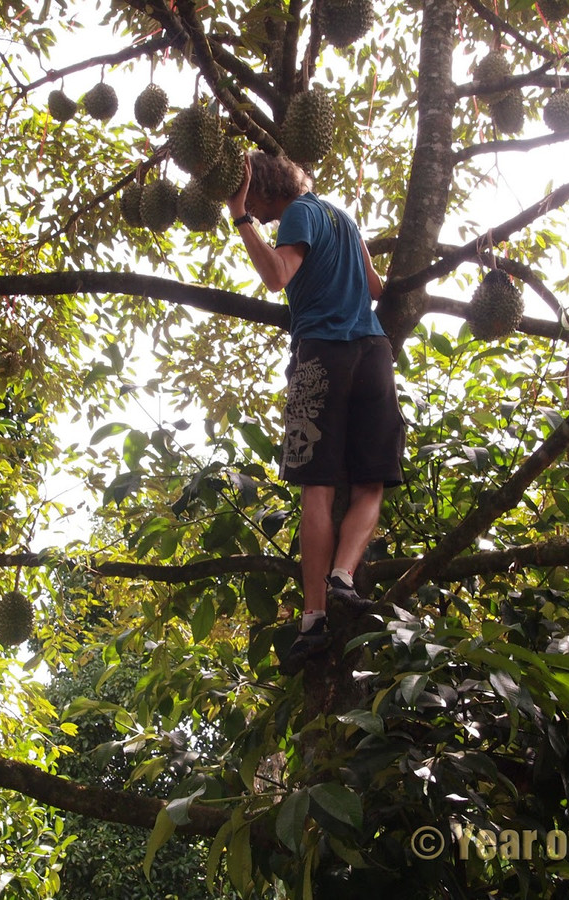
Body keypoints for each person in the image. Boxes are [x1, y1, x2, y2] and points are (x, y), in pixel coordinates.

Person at [227, 151, 404, 675]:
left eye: (254, 196)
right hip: (373, 355)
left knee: (318, 487)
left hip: (321, 355)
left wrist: (240, 219)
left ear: (265, 188)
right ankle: (344, 576)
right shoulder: (343, 219)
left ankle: (314, 619)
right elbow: (376, 288)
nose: (256, 209)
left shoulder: (300, 212)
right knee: (371, 482)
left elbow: (277, 276)